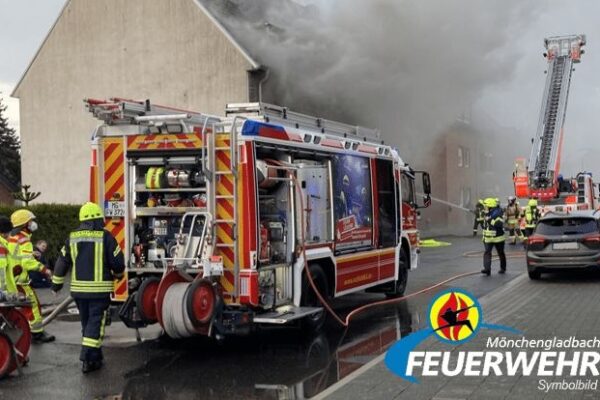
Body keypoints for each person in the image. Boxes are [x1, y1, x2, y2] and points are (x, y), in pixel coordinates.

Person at [52, 202, 125, 373]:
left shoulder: (72, 237)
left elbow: (62, 262)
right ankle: (87, 358)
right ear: (99, 219)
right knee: (95, 323)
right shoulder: (106, 237)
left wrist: (56, 284)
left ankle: (96, 357)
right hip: (99, 292)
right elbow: (117, 261)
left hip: (79, 292)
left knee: (87, 323)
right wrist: (119, 274)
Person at [9, 209, 55, 343]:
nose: (33, 223)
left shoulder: (11, 237)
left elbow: (17, 256)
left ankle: (22, 329)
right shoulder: (24, 240)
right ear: (24, 224)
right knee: (33, 305)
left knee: (17, 307)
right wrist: (44, 269)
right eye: (30, 221)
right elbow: (27, 262)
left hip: (11, 279)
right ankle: (37, 333)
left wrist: (31, 255)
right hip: (20, 280)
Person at [481, 198, 506, 276]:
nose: (484, 208)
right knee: (487, 253)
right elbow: (485, 226)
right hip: (488, 238)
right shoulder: (487, 213)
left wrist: (489, 220)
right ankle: (487, 269)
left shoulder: (498, 213)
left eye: (486, 206)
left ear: (490, 206)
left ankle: (503, 268)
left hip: (498, 238)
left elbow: (499, 224)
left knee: (500, 253)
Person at [0, 216, 17, 296]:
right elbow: (1, 271)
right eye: (10, 233)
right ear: (4, 233)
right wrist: (3, 291)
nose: (11, 236)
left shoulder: (4, 245)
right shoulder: (1, 246)